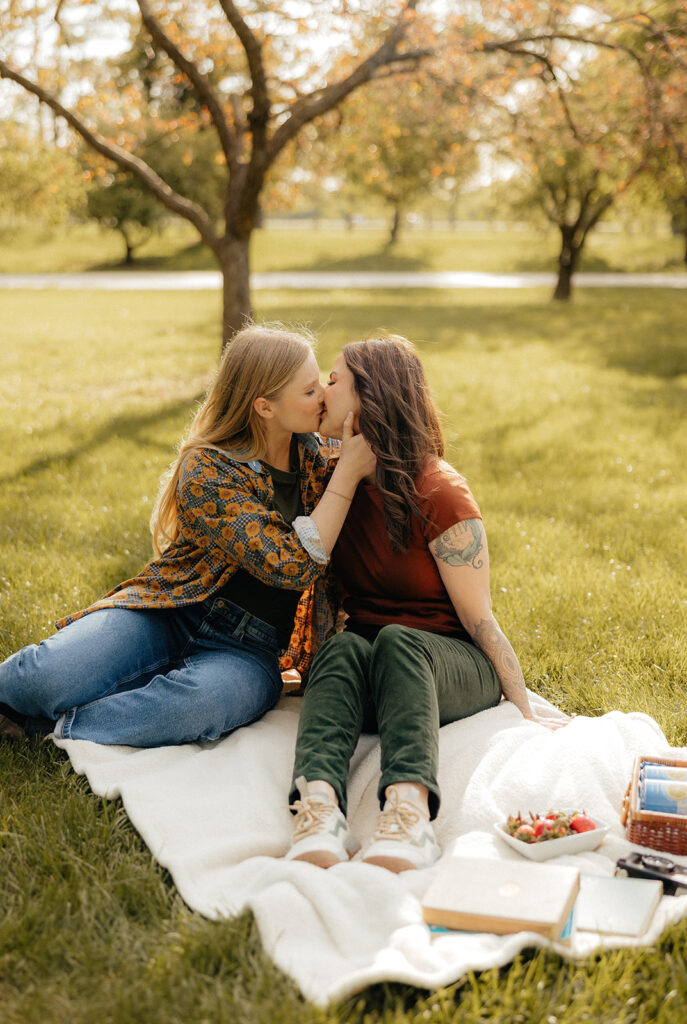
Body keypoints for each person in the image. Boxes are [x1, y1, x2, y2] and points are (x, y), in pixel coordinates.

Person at [0, 323, 374, 747]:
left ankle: (48, 730)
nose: (323, 396)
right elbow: (290, 565)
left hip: (248, 652)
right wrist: (346, 477)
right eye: (309, 391)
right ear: (264, 407)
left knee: (200, 704)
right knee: (46, 676)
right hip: (172, 611)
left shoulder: (321, 458)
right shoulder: (207, 471)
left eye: (321, 383)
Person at [285, 334, 566, 873]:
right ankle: (317, 808)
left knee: (396, 641)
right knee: (344, 649)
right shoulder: (333, 486)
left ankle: (409, 814)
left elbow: (479, 619)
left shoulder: (440, 491)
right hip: (376, 666)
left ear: (370, 397)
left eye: (334, 380)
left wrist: (524, 709)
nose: (322, 389)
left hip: (452, 662)